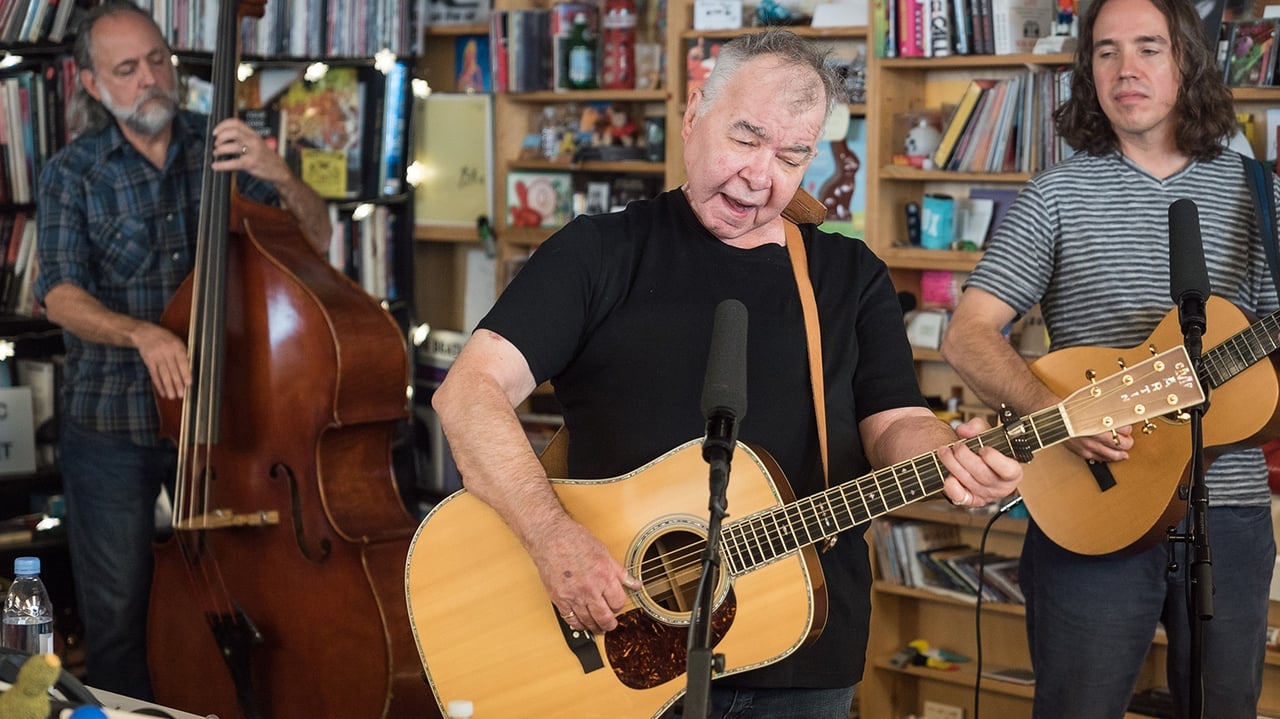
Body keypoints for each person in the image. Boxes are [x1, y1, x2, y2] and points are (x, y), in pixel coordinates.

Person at [432, 28, 1023, 718]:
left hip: (804, 652)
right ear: (693, 116)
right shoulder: (598, 253)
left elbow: (895, 422)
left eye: (792, 155)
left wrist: (951, 456)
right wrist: (551, 536)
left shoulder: (848, 277)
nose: (760, 176)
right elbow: (467, 393)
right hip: (611, 648)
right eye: (745, 139)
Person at [939, 0, 1276, 716]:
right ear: (1086, 69)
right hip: (1090, 511)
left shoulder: (1259, 196)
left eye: (1149, 48)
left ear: (1187, 59)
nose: (1127, 69)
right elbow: (966, 333)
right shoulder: (1055, 195)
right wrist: (1057, 415)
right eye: (1106, 51)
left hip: (1231, 513)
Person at [34, 0, 331, 700]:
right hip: (115, 429)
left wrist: (281, 173)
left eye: (159, 60)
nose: (150, 80)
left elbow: (316, 241)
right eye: (127, 70)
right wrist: (142, 332)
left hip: (223, 426)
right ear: (92, 84)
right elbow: (59, 296)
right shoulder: (71, 173)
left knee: (252, 596)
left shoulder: (223, 147)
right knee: (118, 616)